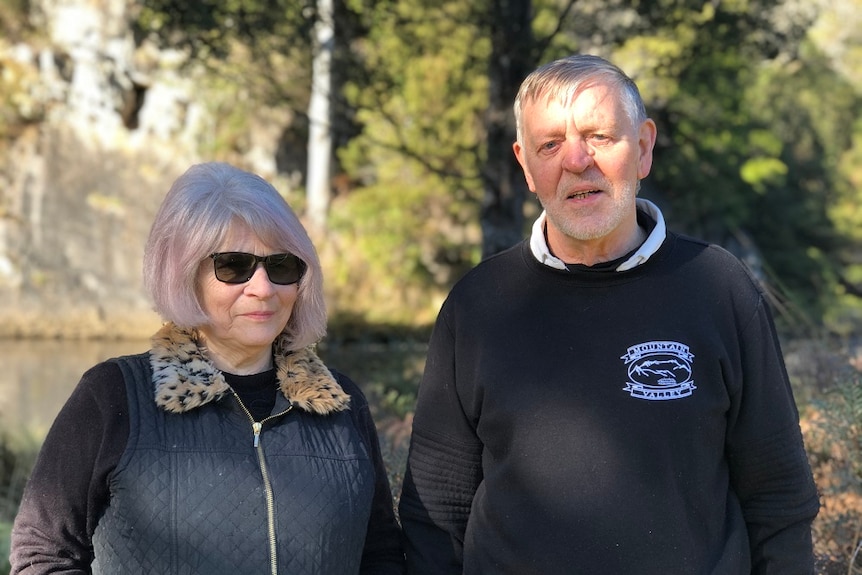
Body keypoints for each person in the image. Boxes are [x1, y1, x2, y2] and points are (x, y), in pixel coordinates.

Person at [398, 54, 820, 574]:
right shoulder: (477, 306)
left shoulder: (719, 289)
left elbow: (778, 498)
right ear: (526, 166)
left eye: (598, 136)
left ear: (643, 148)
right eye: (549, 144)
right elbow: (436, 515)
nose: (576, 160)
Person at [10, 162, 406, 574]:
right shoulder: (112, 396)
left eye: (281, 266)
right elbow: (44, 553)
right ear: (185, 276)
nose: (263, 288)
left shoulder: (341, 406)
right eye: (234, 266)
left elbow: (379, 554)